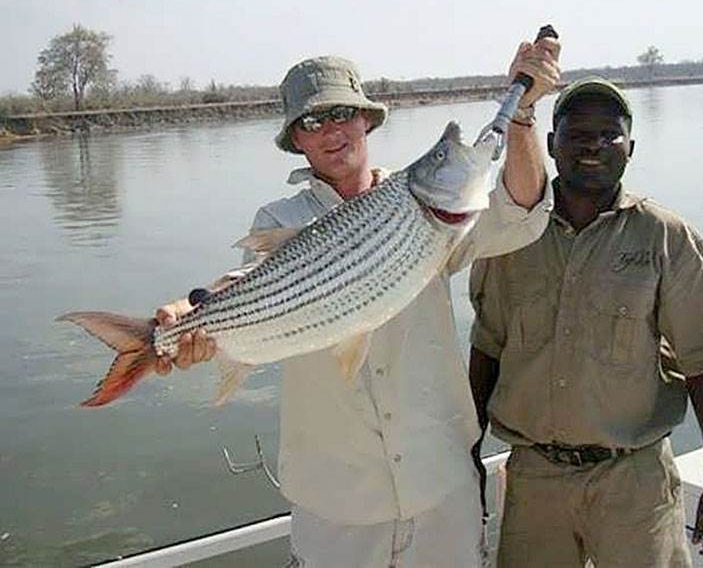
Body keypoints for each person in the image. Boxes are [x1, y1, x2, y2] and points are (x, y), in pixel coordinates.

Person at [154, 36, 560, 567]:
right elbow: (246, 281)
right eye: (312, 122)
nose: (331, 131)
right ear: (295, 139)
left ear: (367, 120)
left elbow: (521, 210)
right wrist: (185, 317)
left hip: (441, 486)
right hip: (336, 503)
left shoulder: (433, 214)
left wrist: (525, 114)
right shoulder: (278, 219)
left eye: (342, 113)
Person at [469, 77, 703, 567]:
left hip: (634, 485)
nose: (594, 145)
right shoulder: (509, 236)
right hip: (535, 480)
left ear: (631, 147)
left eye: (609, 134)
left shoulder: (665, 237)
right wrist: (466, 459)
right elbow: (486, 350)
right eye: (577, 134)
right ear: (553, 145)